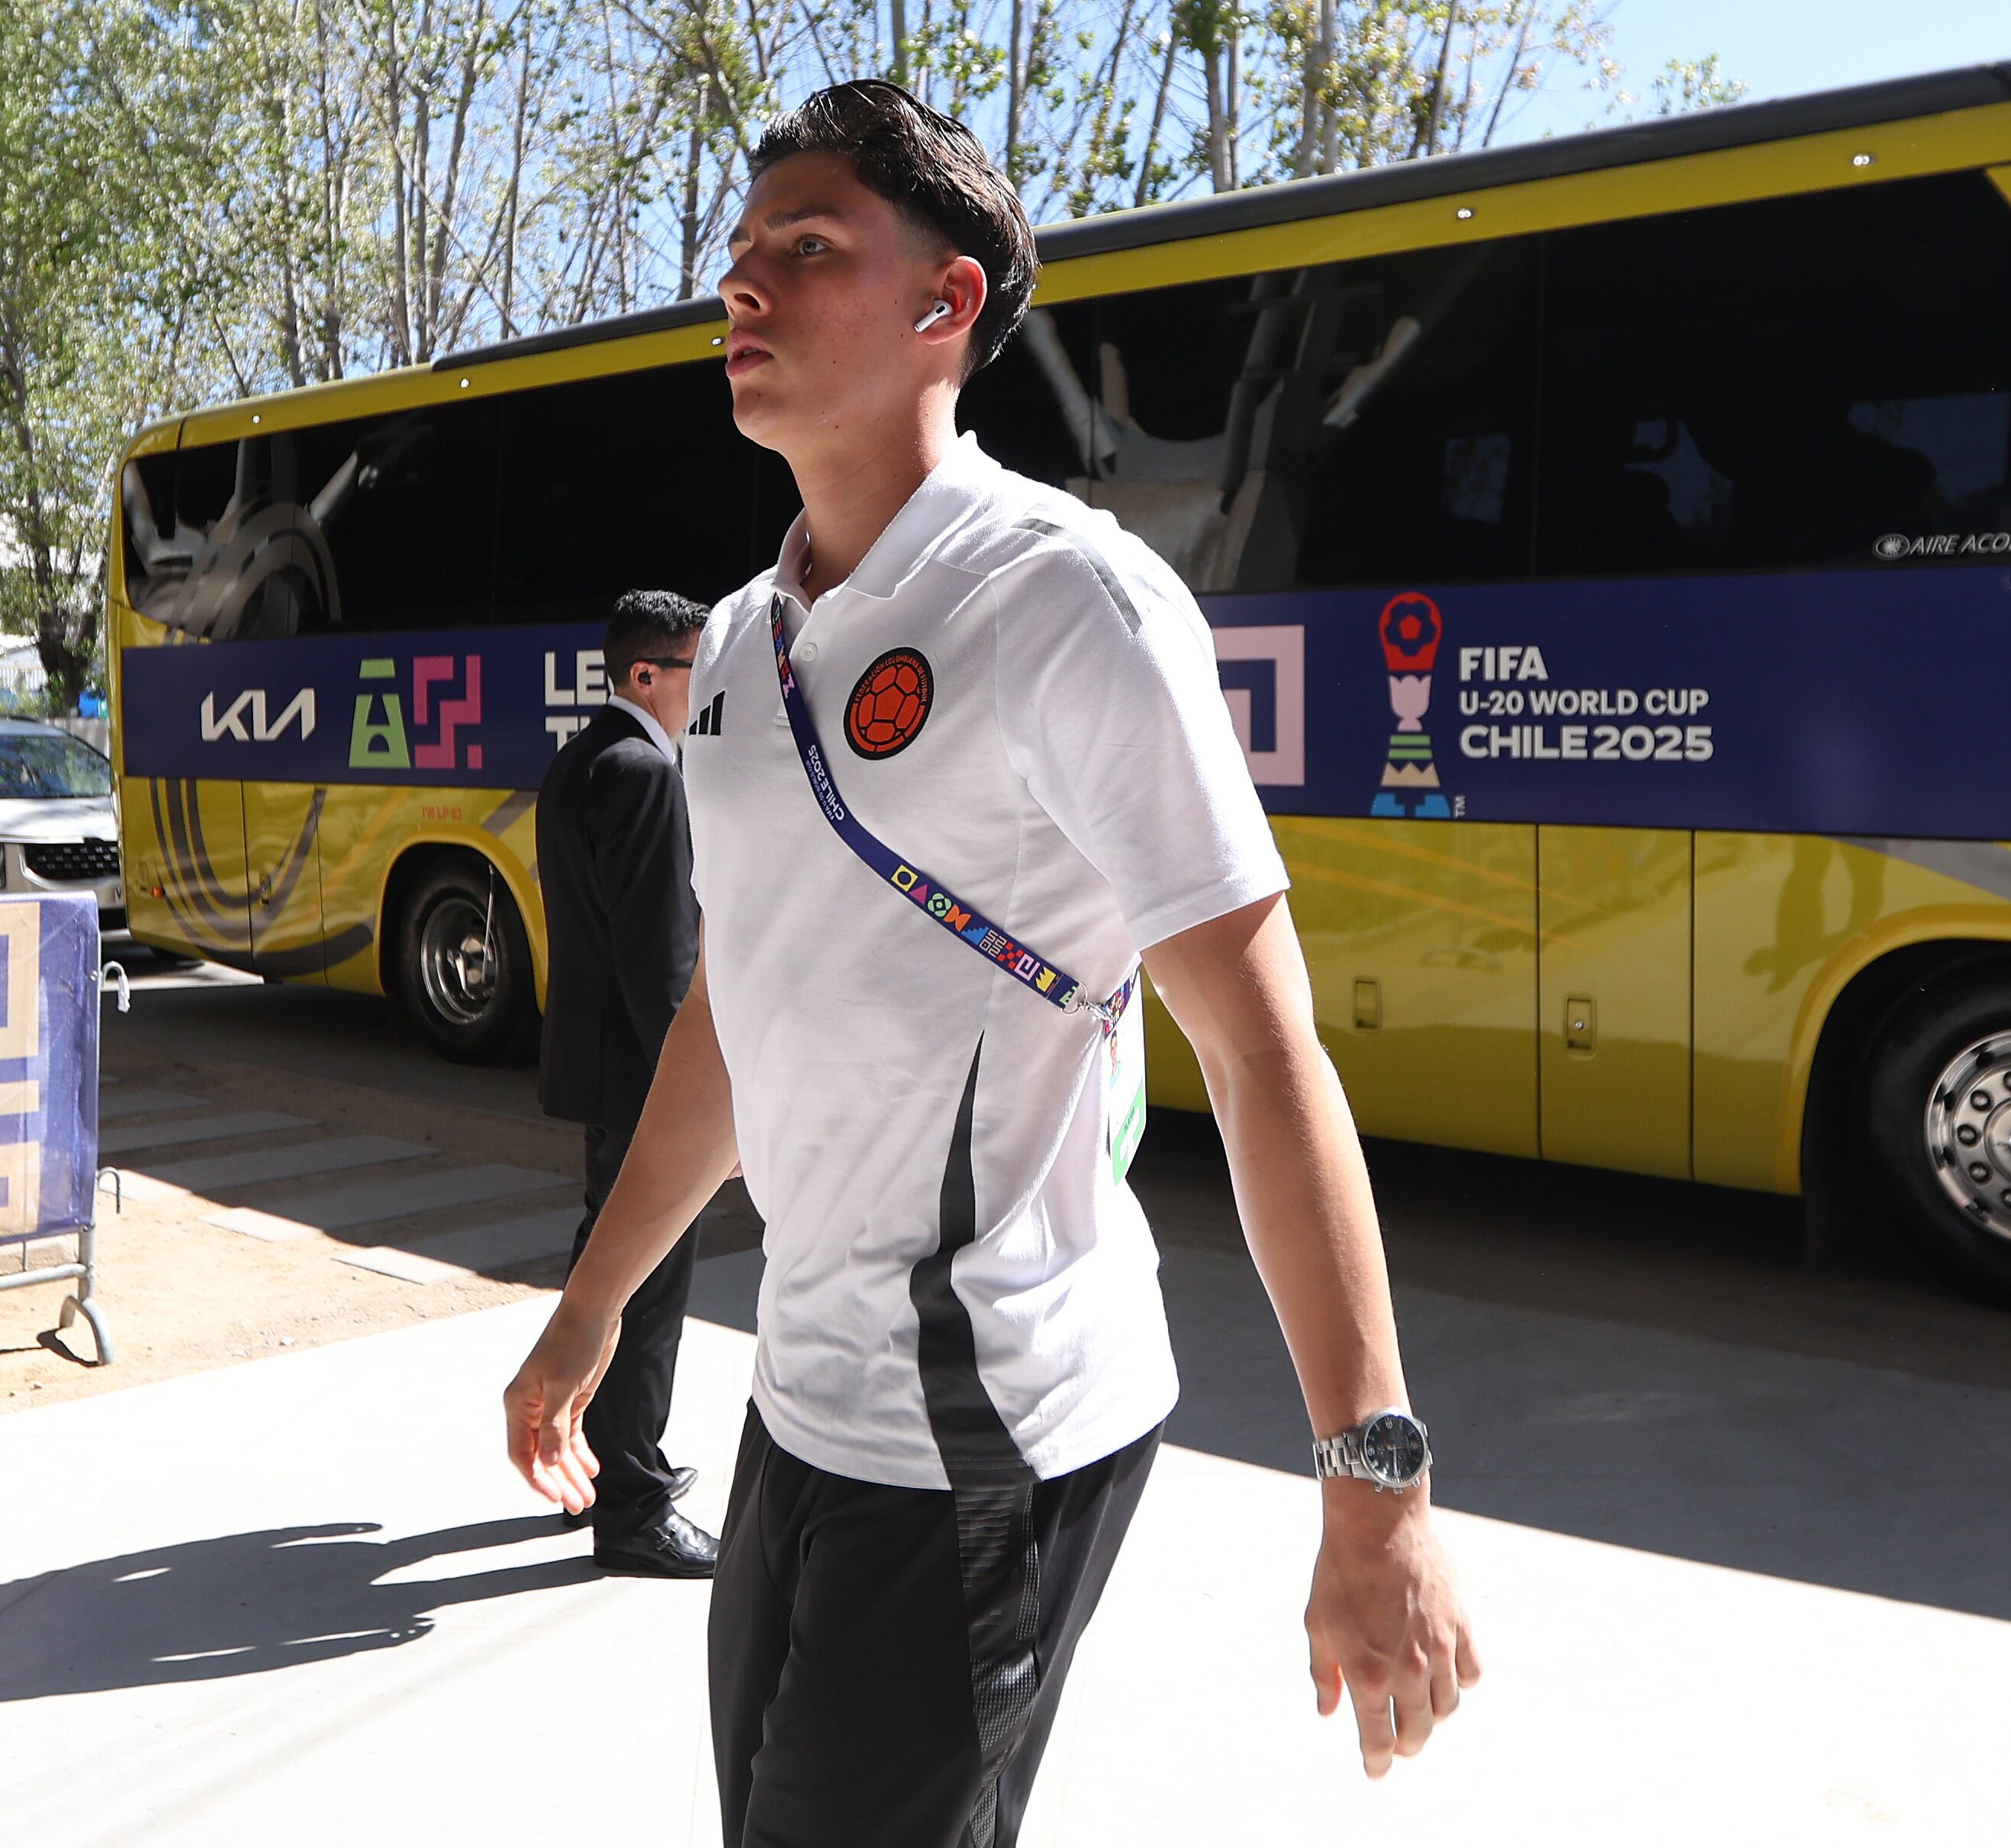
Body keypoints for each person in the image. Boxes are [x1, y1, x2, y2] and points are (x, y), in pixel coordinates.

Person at [504, 81, 1480, 1846]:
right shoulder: (736, 647)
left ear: (944, 304)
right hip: (799, 1399)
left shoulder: (1066, 603)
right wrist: (589, 1309)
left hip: (989, 1425)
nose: (742, 284)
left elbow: (1262, 1053)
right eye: (740, 249)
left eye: (809, 247)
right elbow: (734, 1007)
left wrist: (1374, 1486)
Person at [532, 589, 719, 1579]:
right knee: (642, 1285)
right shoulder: (646, 773)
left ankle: (596, 1464)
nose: (708, 686)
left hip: (597, 1064)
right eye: (696, 667)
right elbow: (659, 961)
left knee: (604, 1268)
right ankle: (634, 1506)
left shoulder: (583, 759)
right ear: (646, 675)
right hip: (643, 1075)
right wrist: (694, 1101)